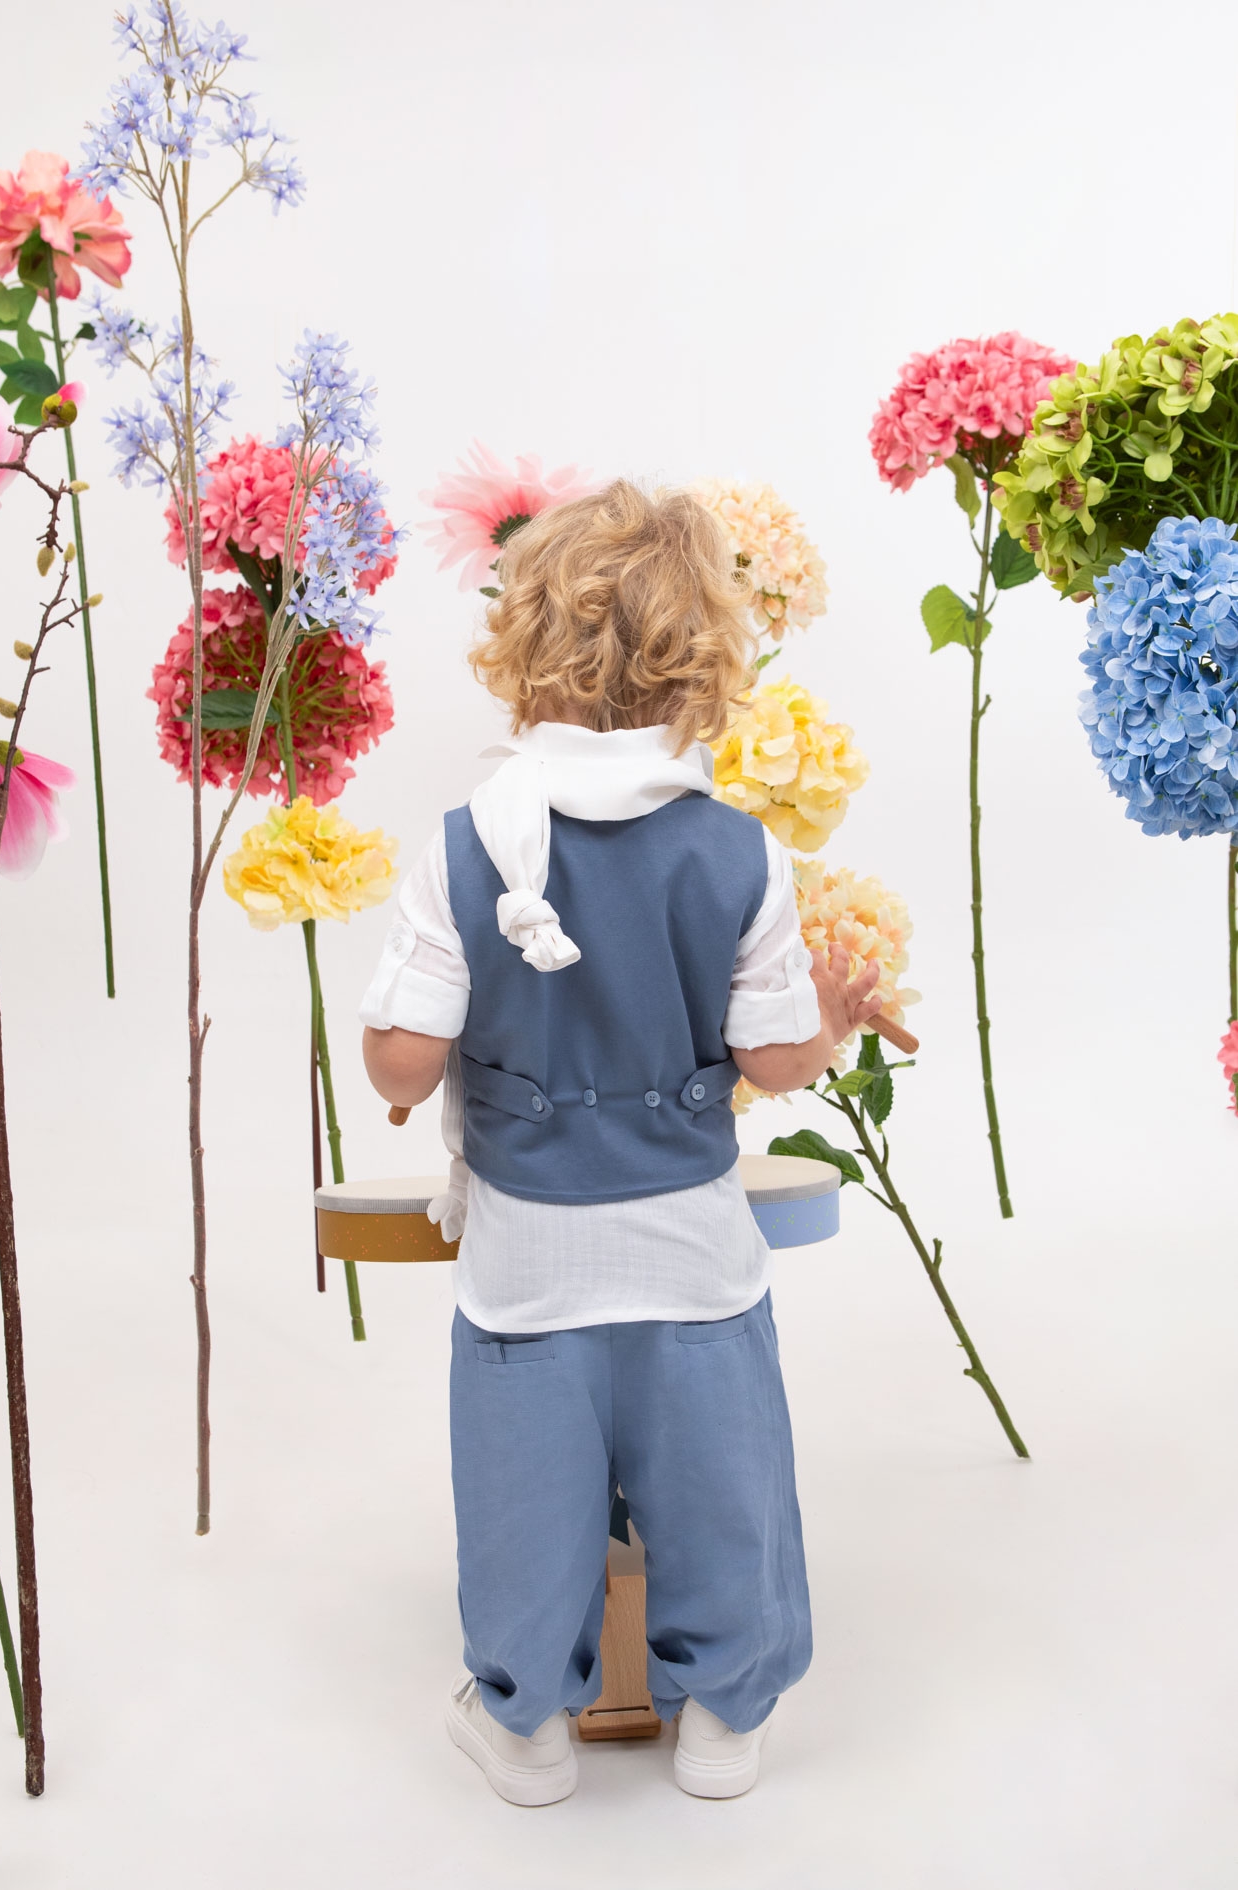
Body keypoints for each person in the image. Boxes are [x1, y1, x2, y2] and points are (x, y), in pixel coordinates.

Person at [360, 480, 881, 1806]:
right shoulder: (740, 855)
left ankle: (526, 1730)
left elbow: (403, 1066)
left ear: (521, 646)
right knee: (720, 1486)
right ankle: (725, 1721)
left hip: (527, 1269)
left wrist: (406, 1045)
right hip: (694, 1258)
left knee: (526, 1497)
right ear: (705, 659)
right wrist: (830, 1021)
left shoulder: (462, 850)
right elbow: (772, 1064)